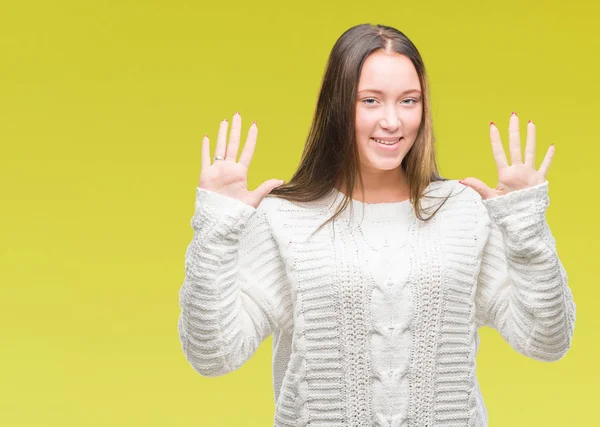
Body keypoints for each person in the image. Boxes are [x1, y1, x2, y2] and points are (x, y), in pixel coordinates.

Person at [177, 23, 576, 427]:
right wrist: (216, 230)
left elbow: (548, 341)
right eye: (370, 100)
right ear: (337, 105)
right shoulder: (285, 218)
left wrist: (526, 226)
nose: (392, 121)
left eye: (408, 100)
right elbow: (214, 355)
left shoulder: (464, 213)